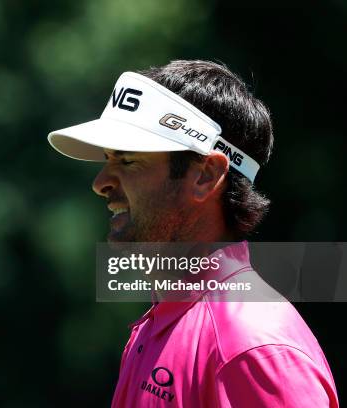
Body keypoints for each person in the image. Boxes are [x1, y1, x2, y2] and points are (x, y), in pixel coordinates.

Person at [47, 60, 339, 407]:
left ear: (205, 175)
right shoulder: (162, 320)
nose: (100, 183)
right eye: (108, 159)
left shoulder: (253, 347)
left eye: (128, 161)